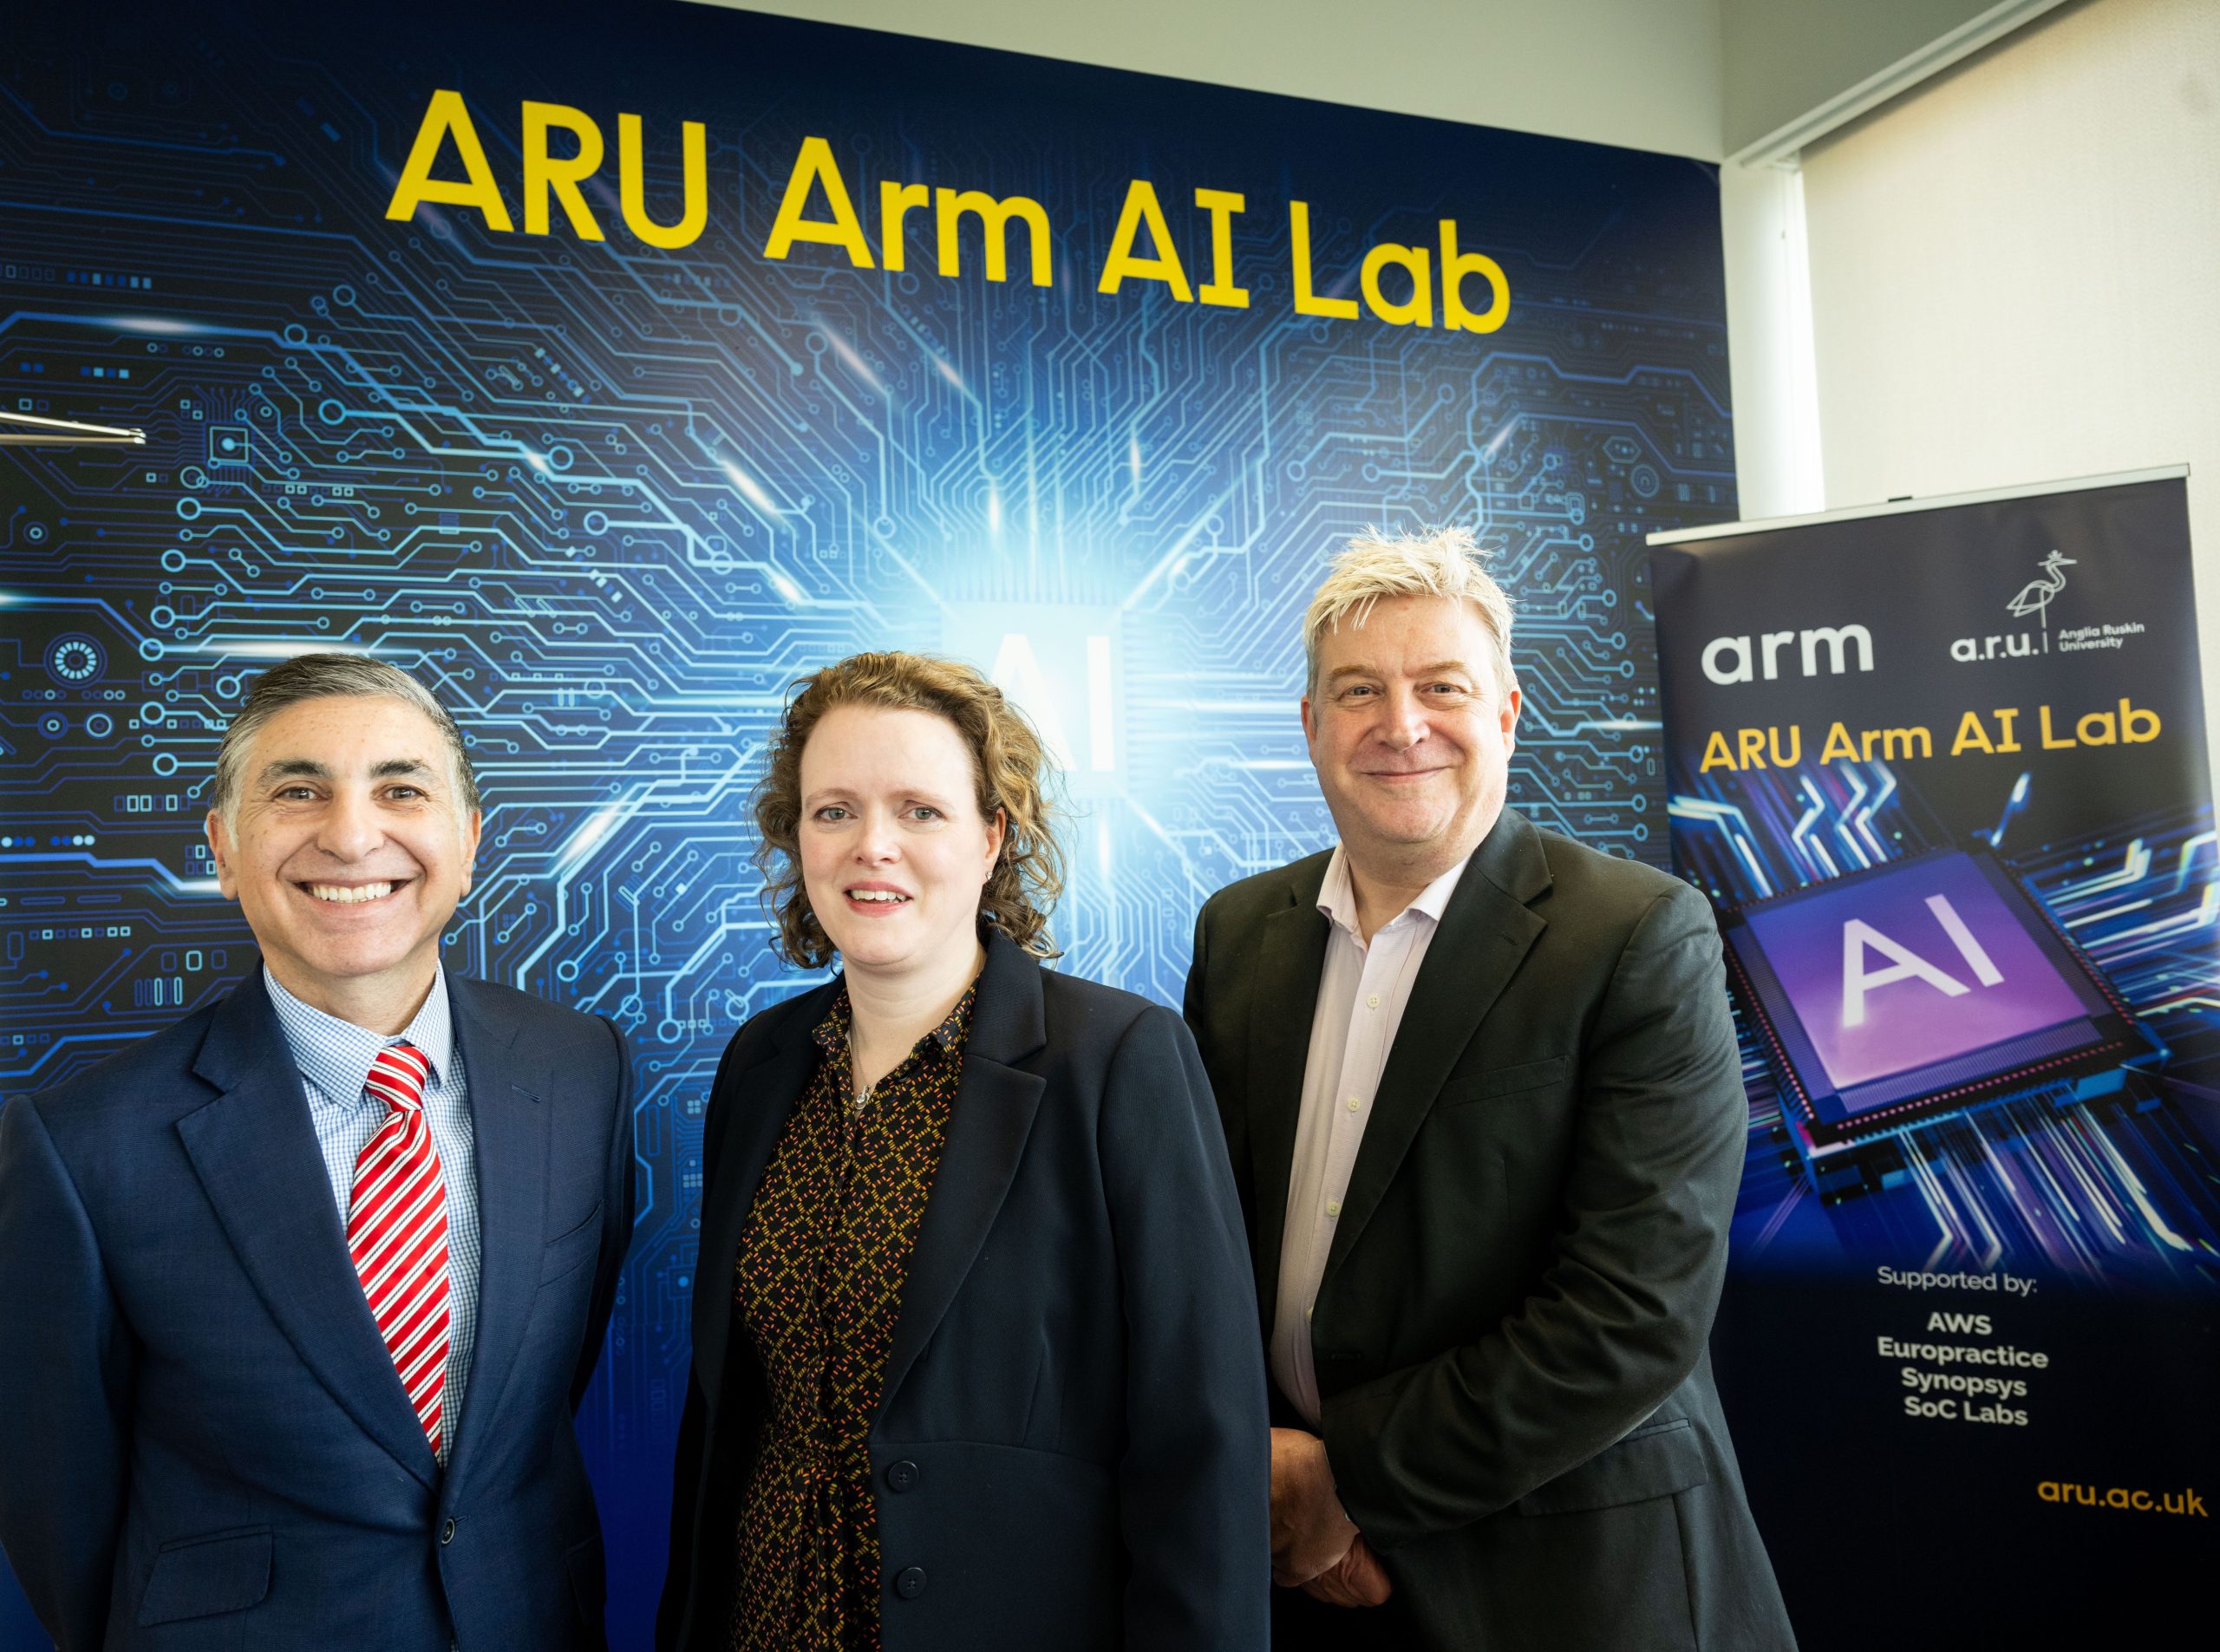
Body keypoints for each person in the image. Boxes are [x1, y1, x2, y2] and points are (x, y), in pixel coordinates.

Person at [1183, 529, 1795, 1650]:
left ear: (1507, 712)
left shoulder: (1637, 936)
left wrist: (1342, 1480)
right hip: (1290, 1571)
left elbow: (1630, 1313)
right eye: (1358, 690)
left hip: (1564, 1579)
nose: (1400, 724)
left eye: (1441, 687)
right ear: (1311, 725)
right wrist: (1263, 1467)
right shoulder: (1238, 934)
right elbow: (1202, 1245)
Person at [0, 655, 635, 1650]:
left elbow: (545, 1385)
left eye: (401, 789)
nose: (350, 834)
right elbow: (55, 1500)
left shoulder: (581, 1068)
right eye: (298, 791)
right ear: (222, 846)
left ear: (468, 844)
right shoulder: (82, 1145)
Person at [658, 651, 1267, 1652]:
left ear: (992, 836)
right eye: (834, 810)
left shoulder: (1118, 1060)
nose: (872, 847)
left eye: (920, 811)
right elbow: (724, 1414)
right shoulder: (761, 1065)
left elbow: (1200, 1442)